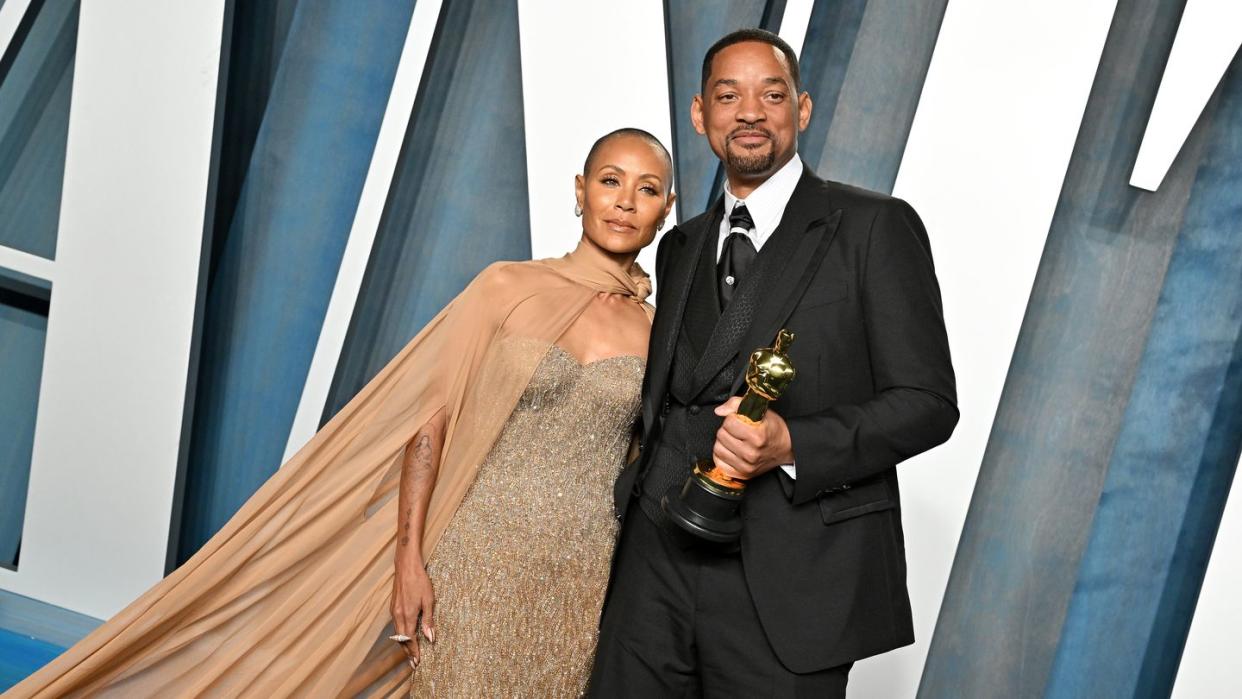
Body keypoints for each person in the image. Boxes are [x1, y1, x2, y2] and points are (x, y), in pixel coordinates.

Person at [7, 128, 674, 698]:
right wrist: (409, 559)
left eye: (646, 189)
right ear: (580, 188)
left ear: (665, 209)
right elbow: (429, 425)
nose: (625, 200)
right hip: (476, 556)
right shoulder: (507, 286)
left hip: (579, 577)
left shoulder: (659, 332)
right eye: (611, 180)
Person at [589, 30, 958, 698]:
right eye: (729, 95)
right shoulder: (679, 246)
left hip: (794, 581)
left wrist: (793, 443)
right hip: (656, 565)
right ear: (702, 116)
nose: (750, 112)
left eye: (772, 93)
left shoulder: (875, 226)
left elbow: (928, 402)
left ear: (803, 109)